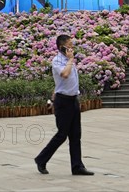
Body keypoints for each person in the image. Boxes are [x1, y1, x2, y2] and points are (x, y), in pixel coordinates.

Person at [34, 34, 94, 176]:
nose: (72, 48)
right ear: (62, 47)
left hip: (73, 100)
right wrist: (71, 59)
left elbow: (63, 82)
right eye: (70, 45)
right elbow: (65, 75)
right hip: (63, 102)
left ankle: (77, 166)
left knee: (76, 135)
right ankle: (41, 159)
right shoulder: (57, 61)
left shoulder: (68, 60)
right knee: (61, 135)